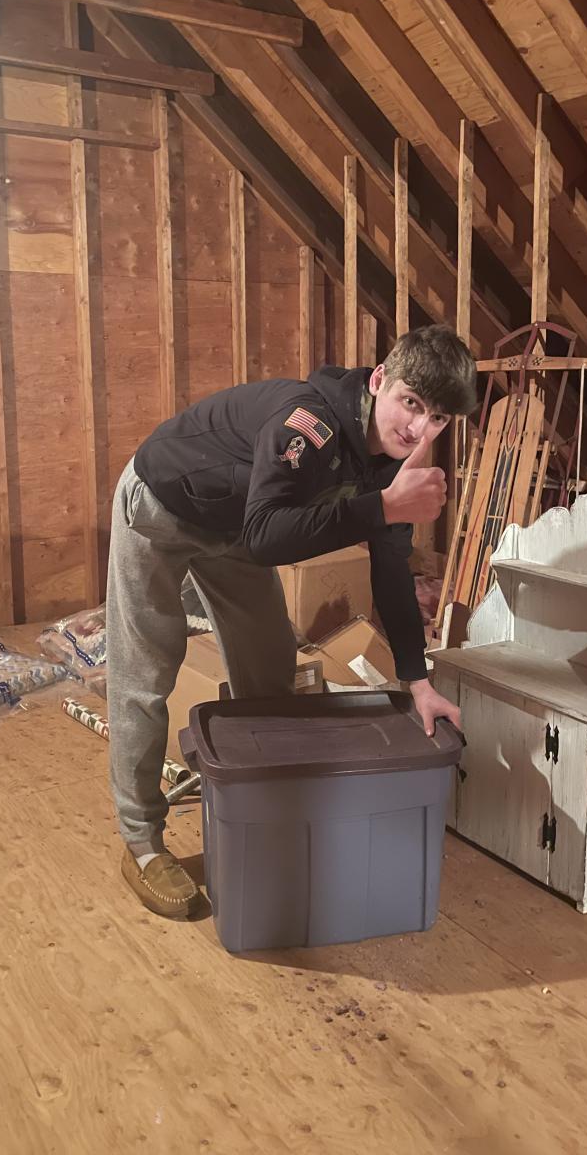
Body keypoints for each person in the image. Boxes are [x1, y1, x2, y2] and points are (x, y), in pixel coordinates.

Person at [106, 324, 477, 919]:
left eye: (437, 419)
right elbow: (267, 538)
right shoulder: (307, 423)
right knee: (145, 675)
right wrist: (381, 507)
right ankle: (142, 845)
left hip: (234, 527)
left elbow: (390, 569)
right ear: (380, 380)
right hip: (161, 505)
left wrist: (418, 681)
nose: (418, 429)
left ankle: (260, 815)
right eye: (411, 402)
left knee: (270, 669)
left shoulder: (392, 463)